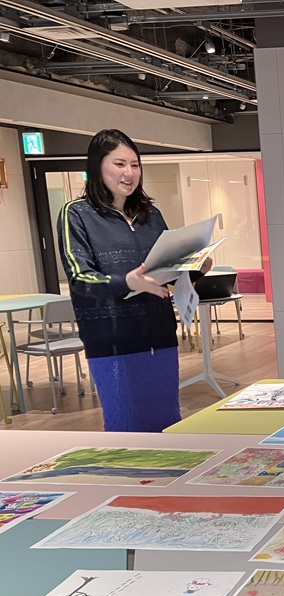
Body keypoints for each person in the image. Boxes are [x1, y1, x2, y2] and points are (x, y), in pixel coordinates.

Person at [59, 129, 206, 432]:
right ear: (98, 166)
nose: (129, 173)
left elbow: (164, 271)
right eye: (119, 164)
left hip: (160, 335)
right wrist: (126, 281)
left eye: (135, 165)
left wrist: (194, 270)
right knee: (126, 430)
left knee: (168, 425)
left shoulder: (151, 215)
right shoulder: (77, 214)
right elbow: (80, 277)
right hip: (113, 341)